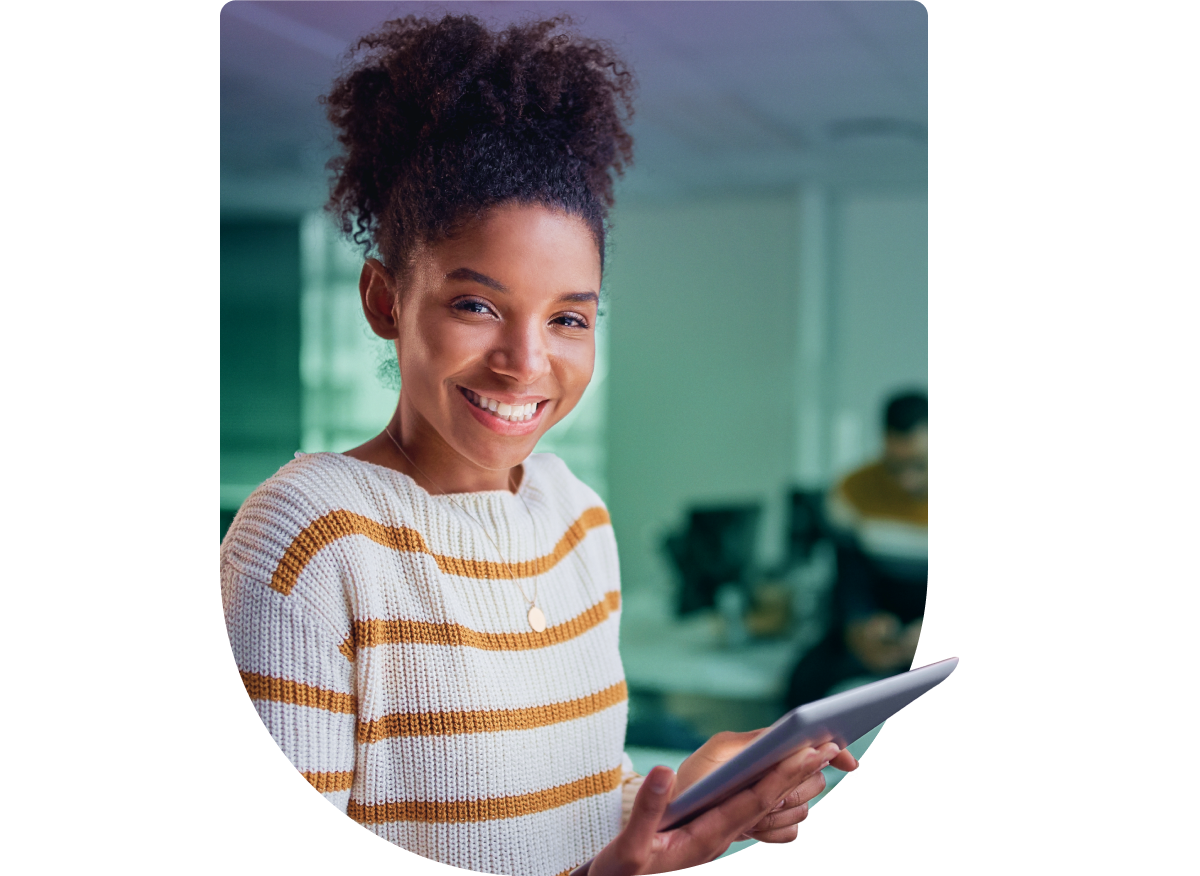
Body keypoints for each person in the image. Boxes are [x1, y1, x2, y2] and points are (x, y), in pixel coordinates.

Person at [220, 14, 855, 876]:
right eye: (476, 305)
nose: (527, 362)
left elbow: (575, 805)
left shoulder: (577, 518)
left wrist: (693, 799)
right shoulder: (304, 538)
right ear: (383, 301)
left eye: (568, 319)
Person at [785, 392, 929, 710]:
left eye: (919, 465)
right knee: (805, 678)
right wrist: (861, 625)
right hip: (879, 622)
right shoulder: (854, 491)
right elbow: (849, 577)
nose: (907, 480)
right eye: (896, 466)